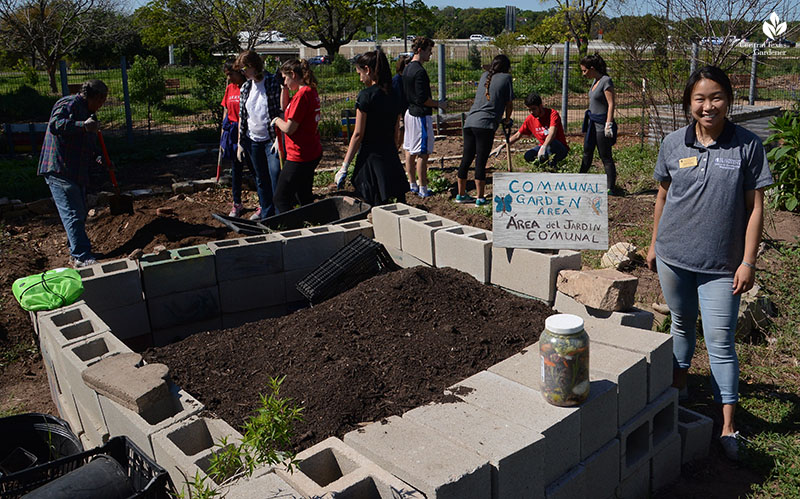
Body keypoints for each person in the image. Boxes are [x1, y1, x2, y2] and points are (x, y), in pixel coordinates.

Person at [645, 66, 772, 461]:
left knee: (720, 343)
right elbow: (663, 198)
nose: (708, 106)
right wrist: (653, 244)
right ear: (688, 104)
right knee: (680, 323)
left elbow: (755, 209)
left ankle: (728, 427)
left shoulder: (747, 145)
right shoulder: (672, 143)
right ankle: (680, 389)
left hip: (722, 266)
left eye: (715, 97)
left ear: (728, 100)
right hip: (673, 257)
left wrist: (748, 261)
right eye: (699, 99)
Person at [38, 79, 108, 268]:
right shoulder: (68, 103)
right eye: (102, 101)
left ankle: (75, 251)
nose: (101, 106)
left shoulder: (89, 114)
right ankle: (82, 256)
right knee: (73, 213)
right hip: (60, 168)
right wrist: (82, 126)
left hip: (75, 170)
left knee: (79, 212)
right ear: (94, 97)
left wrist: (98, 157)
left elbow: (89, 142)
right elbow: (55, 125)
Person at [335, 50, 410, 206]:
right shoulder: (393, 94)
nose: (360, 78)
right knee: (394, 200)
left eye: (360, 73)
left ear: (368, 70)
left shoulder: (366, 96)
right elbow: (397, 128)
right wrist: (394, 146)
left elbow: (358, 134)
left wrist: (345, 165)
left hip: (371, 156)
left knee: (373, 202)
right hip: (389, 154)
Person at [455, 54, 514, 205]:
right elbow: (509, 104)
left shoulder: (484, 76)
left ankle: (461, 195)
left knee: (466, 159)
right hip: (485, 125)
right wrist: (507, 120)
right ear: (506, 67)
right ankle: (480, 198)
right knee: (481, 160)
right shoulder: (506, 78)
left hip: (470, 122)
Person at [234, 50, 283, 221]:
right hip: (253, 140)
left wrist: (279, 137)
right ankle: (267, 213)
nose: (243, 73)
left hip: (271, 139)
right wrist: (241, 142)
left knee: (275, 174)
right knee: (260, 178)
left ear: (254, 66)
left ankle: (280, 214)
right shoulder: (246, 87)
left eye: (245, 69)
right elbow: (243, 116)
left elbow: (280, 110)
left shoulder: (271, 83)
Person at [271, 59, 322, 213]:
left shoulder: (302, 96)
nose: (285, 82)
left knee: (281, 198)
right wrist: (283, 88)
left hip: (299, 155)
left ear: (293, 74)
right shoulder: (309, 91)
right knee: (304, 196)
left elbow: (289, 128)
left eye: (285, 78)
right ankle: (312, 224)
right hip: (310, 151)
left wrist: (277, 121)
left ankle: (292, 229)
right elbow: (284, 107)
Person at [403, 36, 447, 198]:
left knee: (409, 150)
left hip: (409, 113)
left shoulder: (407, 68)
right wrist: (439, 104)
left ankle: (412, 184)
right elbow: (423, 99)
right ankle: (423, 188)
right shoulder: (420, 71)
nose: (431, 54)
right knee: (422, 153)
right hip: (420, 116)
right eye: (429, 51)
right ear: (420, 50)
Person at [492, 92, 568, 170]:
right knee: (528, 155)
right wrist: (502, 146)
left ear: (540, 106)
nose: (531, 112)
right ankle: (543, 168)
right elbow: (517, 135)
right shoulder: (530, 119)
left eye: (534, 109)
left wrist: (544, 146)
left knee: (551, 145)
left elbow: (552, 133)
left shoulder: (552, 114)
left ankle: (553, 169)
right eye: (529, 110)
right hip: (543, 148)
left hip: (559, 148)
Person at [579, 53, 620, 195]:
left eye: (584, 70)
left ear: (592, 68)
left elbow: (611, 103)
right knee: (587, 152)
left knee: (605, 156)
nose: (583, 74)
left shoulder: (605, 81)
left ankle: (611, 188)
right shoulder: (595, 81)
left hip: (602, 125)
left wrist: (608, 123)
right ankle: (579, 180)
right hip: (592, 124)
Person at [220, 60, 247, 217]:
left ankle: (263, 204)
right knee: (236, 169)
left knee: (254, 168)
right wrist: (223, 134)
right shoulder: (229, 88)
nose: (229, 78)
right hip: (232, 132)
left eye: (231, 74)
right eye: (227, 75)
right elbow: (226, 110)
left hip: (246, 132)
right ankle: (237, 203)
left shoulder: (247, 87)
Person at [392, 54, 410, 147]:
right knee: (399, 129)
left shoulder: (405, 78)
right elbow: (398, 98)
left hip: (405, 109)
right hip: (399, 110)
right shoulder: (397, 80)